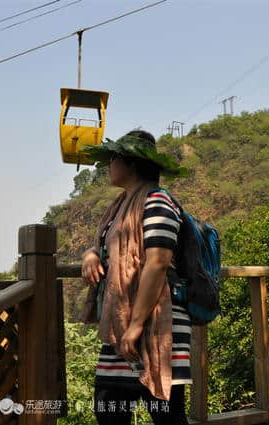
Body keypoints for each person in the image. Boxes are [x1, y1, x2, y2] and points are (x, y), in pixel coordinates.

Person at [80, 130, 191, 425]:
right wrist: (92, 253)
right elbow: (108, 245)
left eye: (113, 158)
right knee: (109, 410)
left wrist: (137, 325)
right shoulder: (118, 208)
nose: (108, 165)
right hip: (119, 325)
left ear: (130, 163)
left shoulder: (158, 202)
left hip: (155, 325)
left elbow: (157, 262)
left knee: (166, 415)